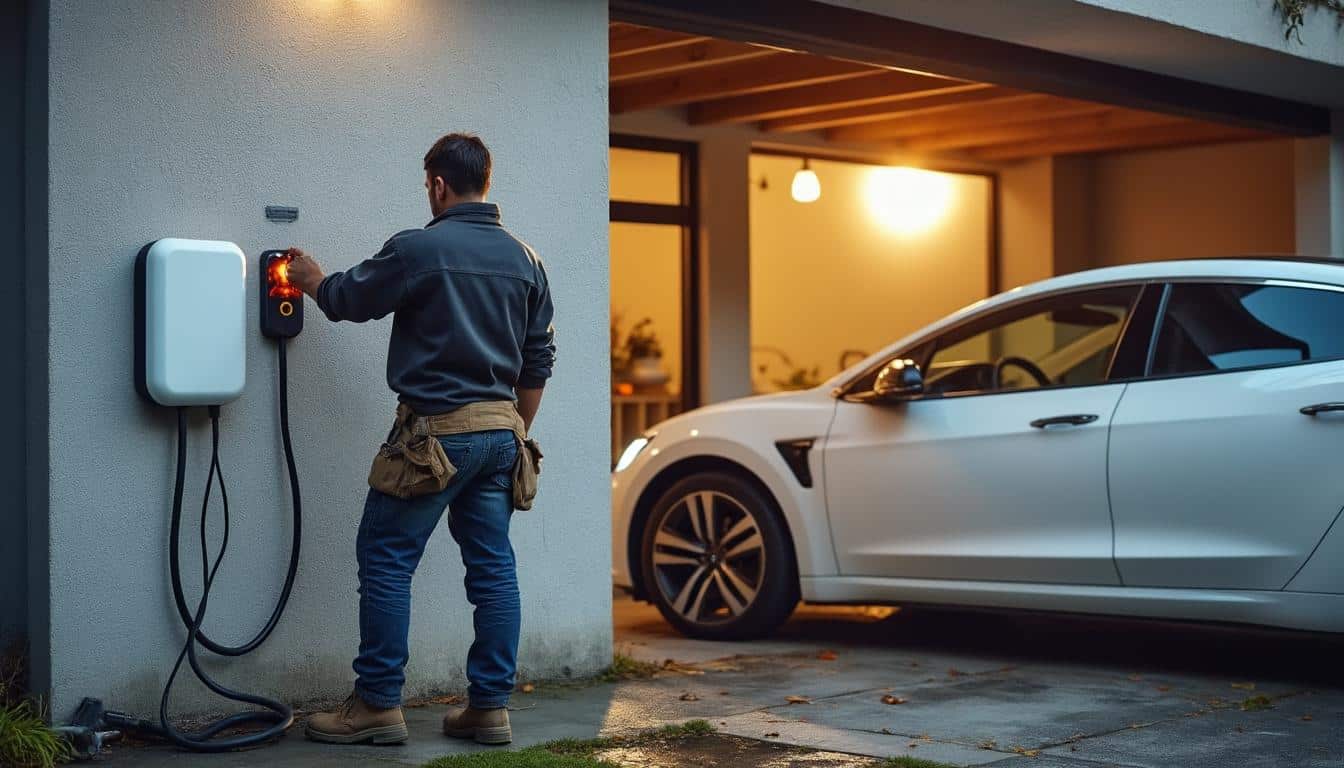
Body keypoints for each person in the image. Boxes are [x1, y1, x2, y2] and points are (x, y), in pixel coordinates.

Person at [285, 133, 555, 747]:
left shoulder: (418, 249)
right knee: (493, 570)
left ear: (438, 185)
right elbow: (538, 360)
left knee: (386, 558)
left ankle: (377, 705)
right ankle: (489, 709)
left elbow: (348, 300)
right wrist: (510, 429)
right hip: (502, 435)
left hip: (432, 438)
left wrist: (310, 277)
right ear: (485, 182)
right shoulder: (527, 259)